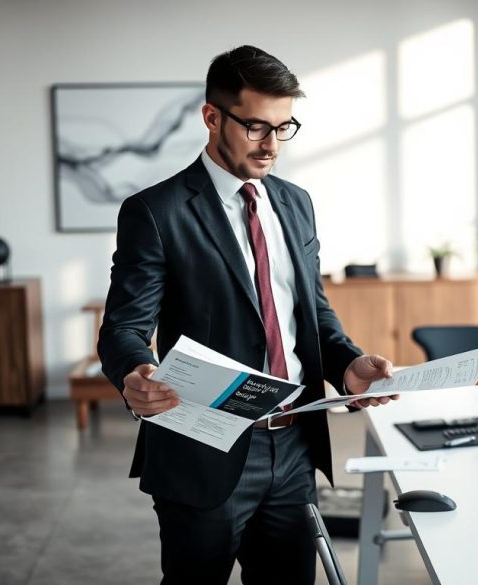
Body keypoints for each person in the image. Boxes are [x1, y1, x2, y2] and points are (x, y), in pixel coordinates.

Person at [97, 45, 398, 585]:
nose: (272, 145)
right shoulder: (155, 211)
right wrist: (133, 372)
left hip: (296, 442)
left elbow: (309, 311)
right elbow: (124, 326)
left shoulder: (295, 202)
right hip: (204, 447)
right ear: (212, 117)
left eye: (285, 127)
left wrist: (347, 364)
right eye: (257, 127)